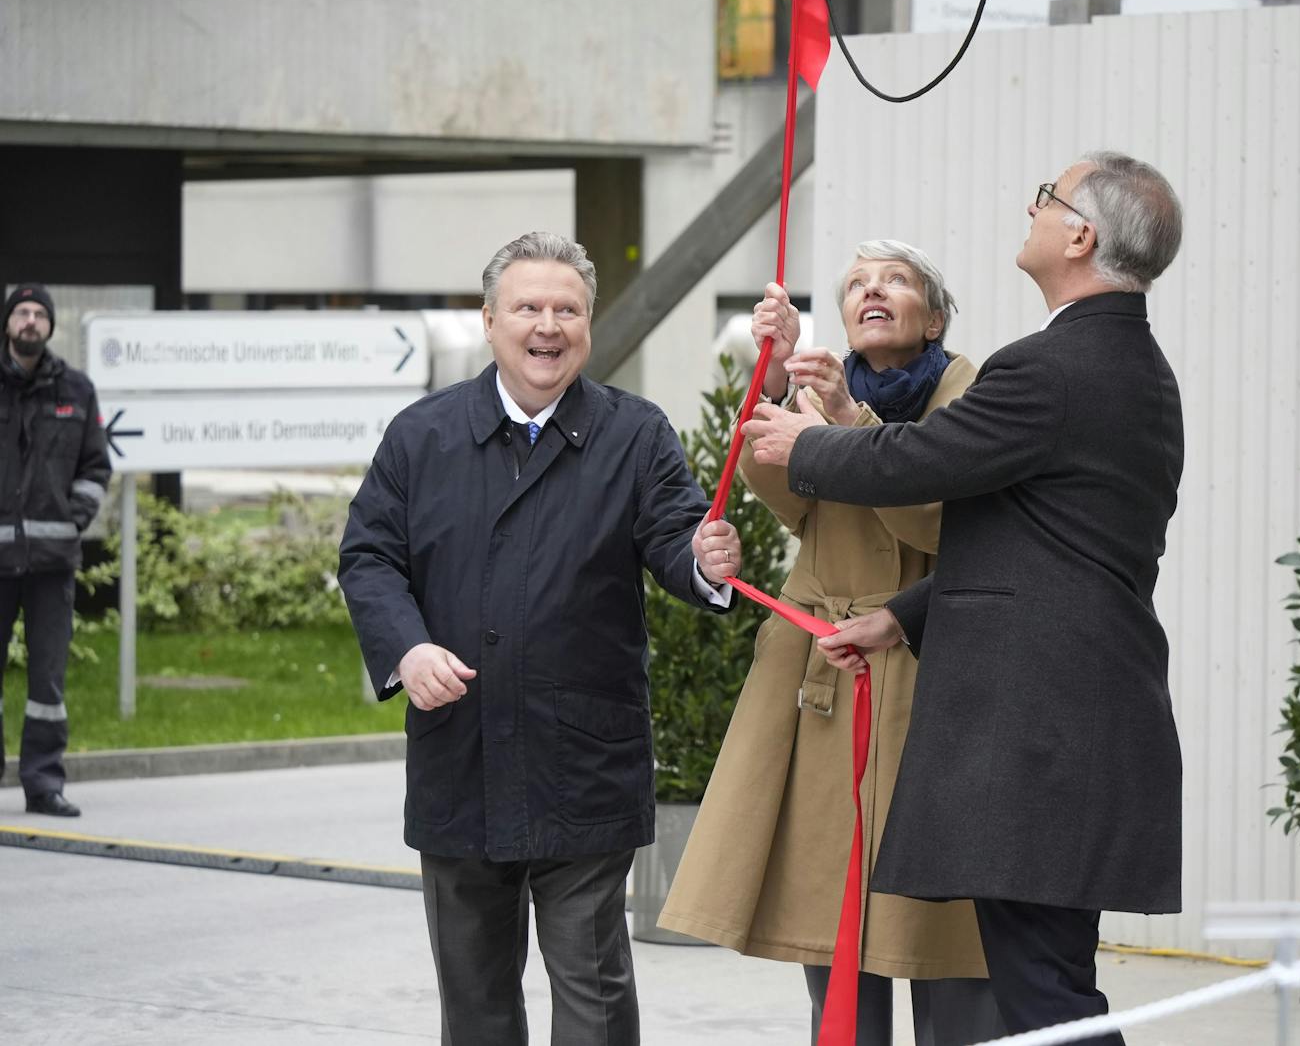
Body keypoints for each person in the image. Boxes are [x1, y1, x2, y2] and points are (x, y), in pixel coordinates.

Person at [742, 152, 1186, 1042]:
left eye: (1046, 198)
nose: (1031, 207)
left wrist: (805, 438)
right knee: (1051, 988)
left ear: (1080, 233)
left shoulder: (1050, 367)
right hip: (1078, 730)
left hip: (1041, 742)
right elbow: (1041, 553)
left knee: (1047, 1007)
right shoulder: (1129, 364)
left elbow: (921, 460)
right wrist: (900, 617)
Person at [338, 232, 742, 1046]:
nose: (548, 325)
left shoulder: (636, 434)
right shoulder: (423, 436)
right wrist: (408, 648)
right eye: (528, 307)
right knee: (475, 1002)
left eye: (568, 309)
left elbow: (676, 538)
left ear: (588, 326)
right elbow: (369, 556)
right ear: (490, 321)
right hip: (461, 757)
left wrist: (703, 560)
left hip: (583, 763)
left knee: (593, 996)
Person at [659, 241, 1006, 1045]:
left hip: (936, 679)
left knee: (948, 949)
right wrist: (778, 377)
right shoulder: (822, 382)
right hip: (832, 677)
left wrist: (847, 424)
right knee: (837, 946)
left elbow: (947, 518)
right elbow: (787, 495)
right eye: (855, 284)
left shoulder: (973, 390)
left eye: (895, 280)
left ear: (936, 316)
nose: (871, 291)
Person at [0, 284, 110, 819]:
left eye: (39, 314)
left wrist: (72, 522)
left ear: (49, 326)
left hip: (52, 563)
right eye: (21, 311)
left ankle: (43, 784)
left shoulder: (77, 389)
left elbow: (95, 468)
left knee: (47, 681)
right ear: (7, 323)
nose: (29, 321)